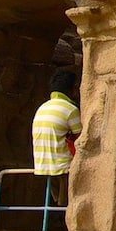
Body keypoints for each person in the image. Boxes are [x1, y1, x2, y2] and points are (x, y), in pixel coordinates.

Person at [32, 68, 83, 205]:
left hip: (43, 165)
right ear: (72, 89)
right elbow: (81, 137)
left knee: (58, 204)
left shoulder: (42, 108)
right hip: (62, 166)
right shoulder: (70, 109)